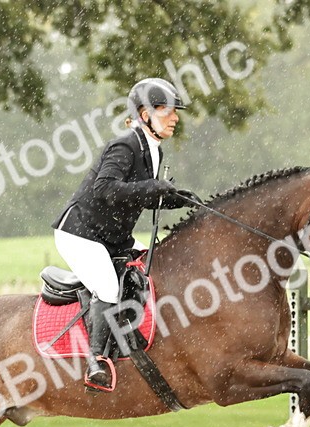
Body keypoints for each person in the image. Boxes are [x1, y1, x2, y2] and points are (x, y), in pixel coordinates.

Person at [52, 77, 202, 390]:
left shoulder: (154, 150)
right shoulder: (125, 144)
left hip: (114, 237)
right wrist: (152, 188)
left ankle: (133, 338)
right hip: (83, 235)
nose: (175, 118)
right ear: (145, 114)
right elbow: (106, 189)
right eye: (167, 111)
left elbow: (139, 196)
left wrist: (178, 198)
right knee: (107, 287)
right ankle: (96, 362)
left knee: (155, 263)